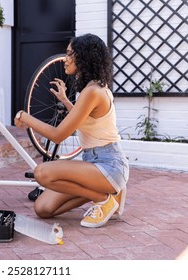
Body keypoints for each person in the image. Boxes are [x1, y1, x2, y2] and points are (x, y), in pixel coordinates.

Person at [14, 33, 129, 228]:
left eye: (70, 54)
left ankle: (103, 199)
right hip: (93, 163)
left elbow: (59, 135)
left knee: (42, 173)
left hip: (109, 166)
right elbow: (86, 120)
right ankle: (109, 196)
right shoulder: (92, 89)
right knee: (43, 208)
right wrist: (66, 101)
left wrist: (26, 117)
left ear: (84, 57)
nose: (66, 59)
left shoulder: (93, 91)